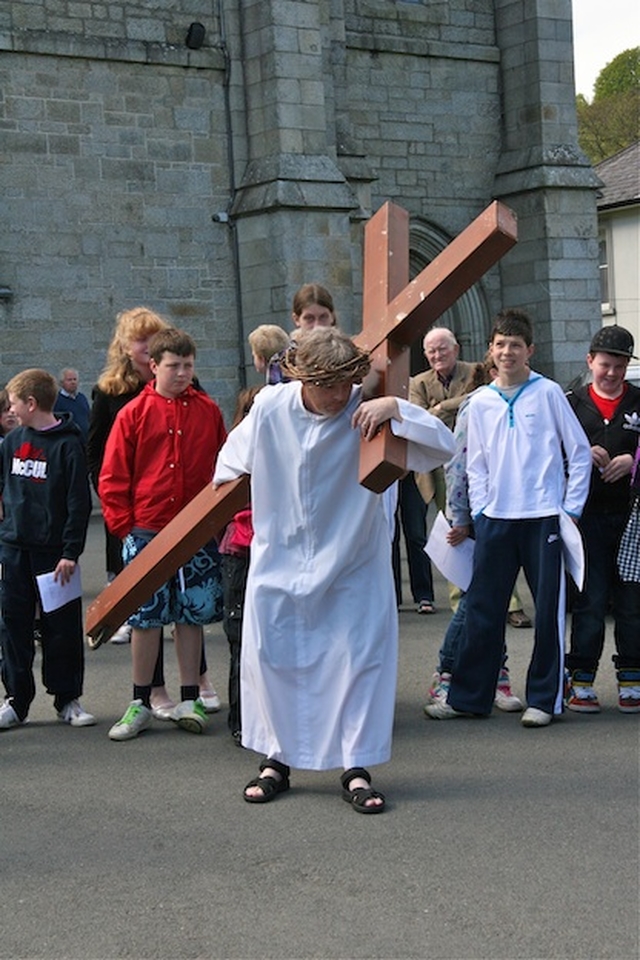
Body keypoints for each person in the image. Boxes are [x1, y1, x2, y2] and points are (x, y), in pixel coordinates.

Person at [213, 327, 456, 811]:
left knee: (359, 663)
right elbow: (226, 466)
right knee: (273, 660)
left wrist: (399, 410)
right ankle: (275, 761)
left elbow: (442, 447)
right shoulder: (269, 408)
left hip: (353, 563)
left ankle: (357, 767)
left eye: (347, 384)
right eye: (328, 386)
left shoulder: (370, 414)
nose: (339, 396)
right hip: (281, 559)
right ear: (302, 379)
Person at [425, 308, 592, 727]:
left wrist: (569, 510)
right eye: (500, 345)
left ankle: (543, 699)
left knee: (548, 613)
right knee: (483, 608)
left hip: (542, 518)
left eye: (515, 345)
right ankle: (469, 697)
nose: (507, 352)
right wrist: (480, 510)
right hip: (495, 519)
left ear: (529, 350)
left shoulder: (549, 393)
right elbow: (472, 463)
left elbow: (579, 453)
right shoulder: (479, 403)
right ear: (490, 351)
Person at [87, 306, 221, 716]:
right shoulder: (130, 411)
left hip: (194, 531)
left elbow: (223, 464)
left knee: (191, 613)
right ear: (152, 364)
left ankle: (189, 698)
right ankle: (141, 700)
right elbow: (112, 474)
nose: (181, 373)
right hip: (144, 529)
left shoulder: (207, 410)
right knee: (146, 617)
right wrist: (124, 528)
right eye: (173, 365)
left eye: (188, 365)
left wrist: (214, 523)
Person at [410, 327, 533, 627]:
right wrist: (451, 406)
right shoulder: (418, 382)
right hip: (439, 468)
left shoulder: (477, 371)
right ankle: (461, 604)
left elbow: (482, 395)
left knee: (493, 535)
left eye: (443, 348)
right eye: (432, 350)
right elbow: (418, 418)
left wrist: (440, 407)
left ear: (457, 349)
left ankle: (510, 604)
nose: (437, 355)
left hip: (484, 464)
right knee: (454, 535)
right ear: (425, 354)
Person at [424, 355, 523, 713]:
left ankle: (496, 671)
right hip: (480, 519)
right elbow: (457, 464)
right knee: (475, 600)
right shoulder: (475, 406)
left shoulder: (518, 402)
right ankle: (446, 673)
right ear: (492, 374)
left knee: (491, 601)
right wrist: (460, 517)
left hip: (511, 515)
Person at [0, 369, 94, 730]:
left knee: (62, 629)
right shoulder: (10, 443)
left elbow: (78, 503)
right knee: (13, 626)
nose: (10, 410)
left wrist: (71, 551)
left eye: (13, 403)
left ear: (31, 403)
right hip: (14, 551)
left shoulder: (68, 445)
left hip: (55, 555)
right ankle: (15, 700)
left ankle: (67, 698)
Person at [565, 326, 640, 713]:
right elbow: (552, 454)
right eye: (605, 364)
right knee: (590, 602)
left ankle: (631, 679)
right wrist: (580, 453)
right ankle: (581, 679)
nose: (611, 373)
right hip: (587, 519)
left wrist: (634, 462)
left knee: (631, 604)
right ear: (590, 360)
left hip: (632, 520)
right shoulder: (571, 403)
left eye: (620, 366)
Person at [218, 386, 263, 746]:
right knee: (240, 637)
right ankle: (242, 719)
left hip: (271, 550)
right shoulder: (237, 447)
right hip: (241, 549)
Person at [265, 282, 338, 384]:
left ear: (332, 316)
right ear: (296, 320)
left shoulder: (349, 355)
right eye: (309, 318)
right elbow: (276, 398)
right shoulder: (281, 362)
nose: (317, 326)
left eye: (323, 317)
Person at [54, 368, 91, 442]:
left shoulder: (81, 397)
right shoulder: (57, 400)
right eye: (69, 380)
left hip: (85, 441)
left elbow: (88, 417)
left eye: (75, 379)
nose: (73, 382)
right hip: (70, 443)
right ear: (62, 383)